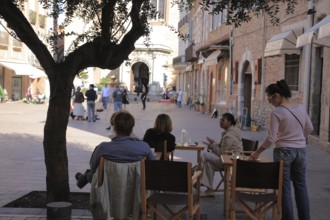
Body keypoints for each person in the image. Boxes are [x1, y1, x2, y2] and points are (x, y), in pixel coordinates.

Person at [250, 79, 313, 220]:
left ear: (277, 95)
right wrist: (299, 139)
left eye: (270, 98)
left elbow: (271, 138)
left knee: (284, 188)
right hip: (301, 151)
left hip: (284, 151)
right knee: (301, 186)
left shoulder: (277, 112)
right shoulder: (301, 108)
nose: (269, 102)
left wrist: (257, 153)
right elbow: (309, 128)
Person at [90, 111, 156, 174]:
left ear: (114, 128)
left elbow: (92, 167)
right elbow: (154, 165)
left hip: (110, 185)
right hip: (136, 185)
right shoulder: (144, 147)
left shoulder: (102, 148)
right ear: (132, 128)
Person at [200, 112, 242, 194]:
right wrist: (214, 143)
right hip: (229, 158)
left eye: (223, 120)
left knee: (205, 155)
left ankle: (197, 176)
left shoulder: (229, 135)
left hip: (231, 161)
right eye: (220, 120)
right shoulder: (229, 132)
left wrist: (211, 145)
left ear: (229, 122)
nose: (220, 122)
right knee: (208, 165)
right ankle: (209, 190)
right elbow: (222, 147)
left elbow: (221, 153)